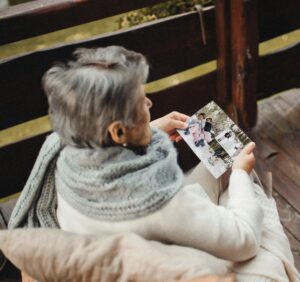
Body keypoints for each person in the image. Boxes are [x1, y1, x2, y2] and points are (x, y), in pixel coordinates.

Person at [8, 46, 299, 281]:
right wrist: (238, 174)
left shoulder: (64, 155)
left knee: (222, 160)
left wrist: (148, 131)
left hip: (126, 240)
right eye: (141, 103)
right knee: (249, 198)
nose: (149, 106)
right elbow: (244, 241)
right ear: (118, 131)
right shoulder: (159, 201)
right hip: (172, 254)